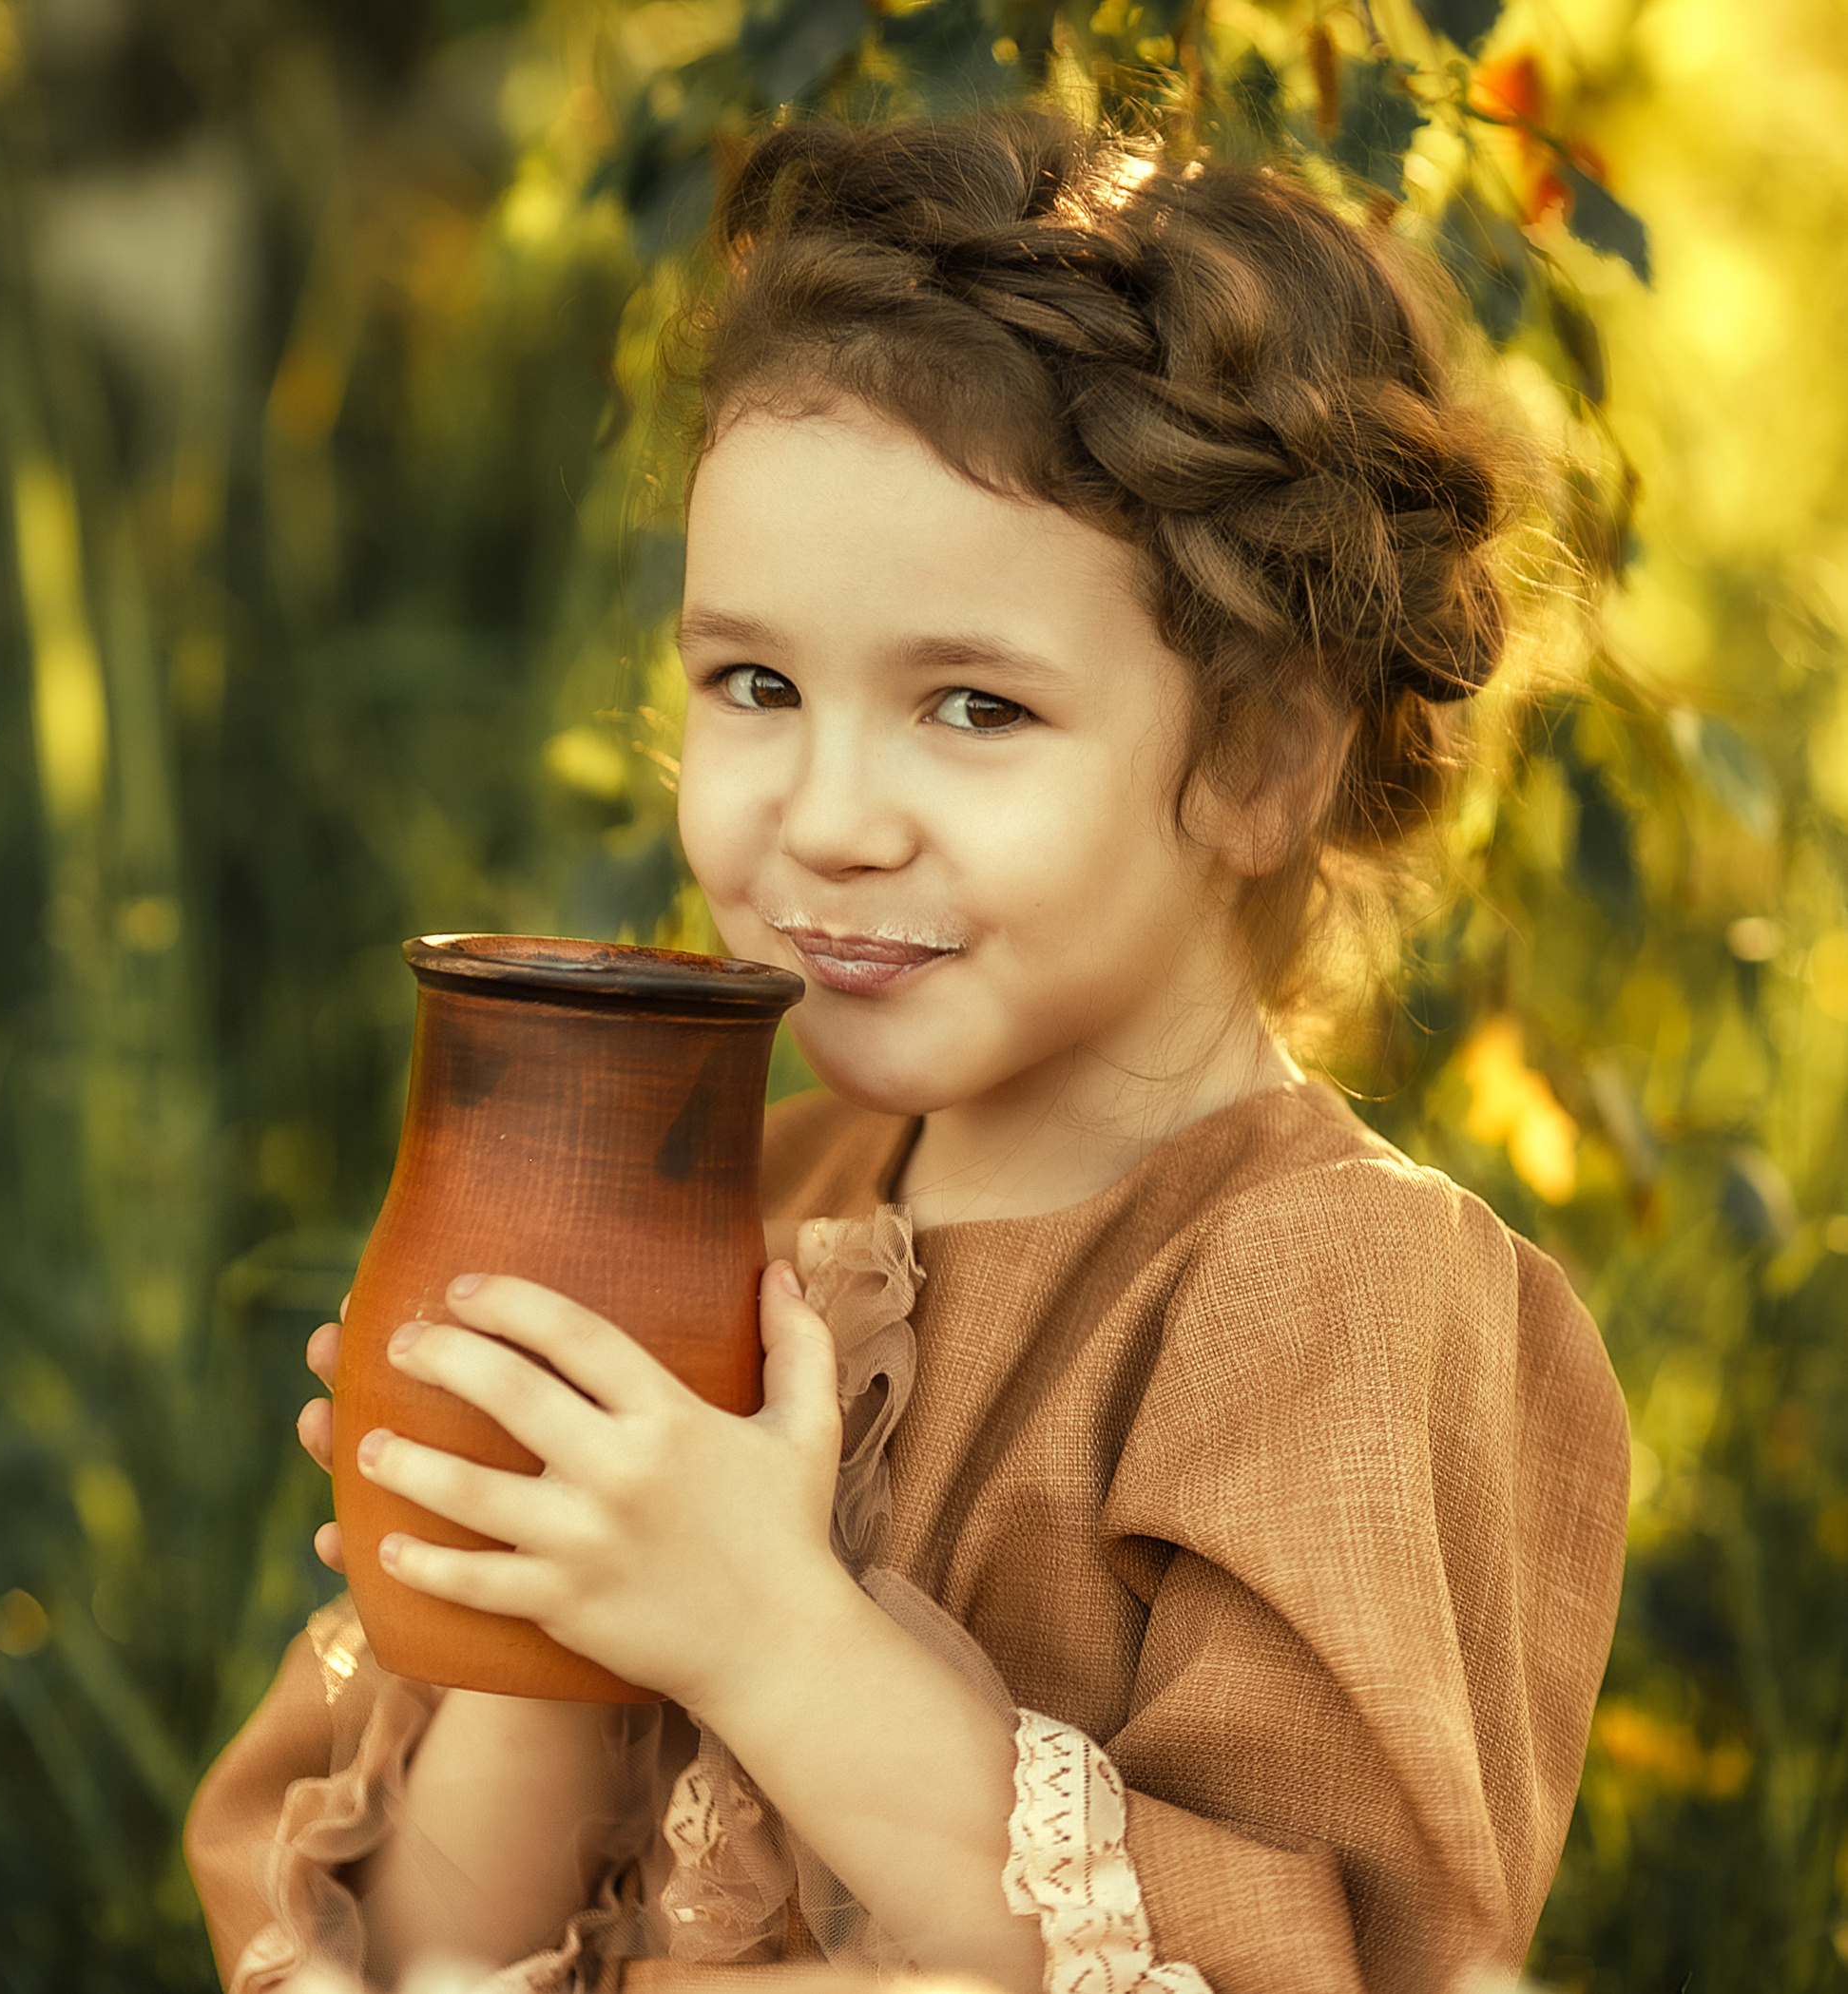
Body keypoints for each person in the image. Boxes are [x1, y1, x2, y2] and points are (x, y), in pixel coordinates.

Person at [184, 108, 1630, 1994]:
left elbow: (1311, 1962)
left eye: (973, 703)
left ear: (1271, 750)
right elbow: (439, 1950)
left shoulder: (1323, 1288)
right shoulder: (731, 1210)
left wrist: (762, 1628)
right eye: (756, 684)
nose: (830, 813)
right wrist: (541, 1595)